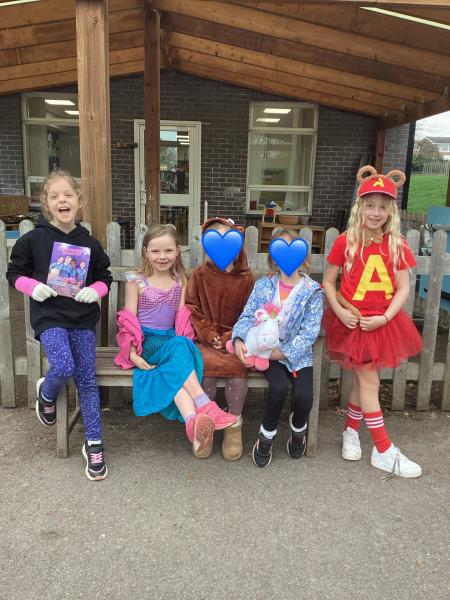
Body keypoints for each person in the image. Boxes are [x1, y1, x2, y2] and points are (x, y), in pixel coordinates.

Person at [6, 170, 112, 481]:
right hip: (50, 317)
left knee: (87, 382)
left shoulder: (89, 243)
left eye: (68, 195)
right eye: (54, 196)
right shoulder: (33, 239)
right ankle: (47, 393)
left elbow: (104, 277)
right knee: (63, 366)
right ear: (46, 204)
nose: (62, 200)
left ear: (79, 201)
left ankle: (94, 443)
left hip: (82, 320)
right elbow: (13, 272)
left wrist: (96, 290)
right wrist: (31, 286)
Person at [322, 165, 423, 479]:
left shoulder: (397, 244)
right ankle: (383, 449)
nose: (375, 212)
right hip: (353, 323)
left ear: (390, 210)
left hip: (381, 324)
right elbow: (328, 283)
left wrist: (385, 317)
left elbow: (403, 287)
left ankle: (351, 431)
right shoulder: (346, 241)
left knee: (364, 382)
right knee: (370, 383)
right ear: (360, 207)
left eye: (382, 206)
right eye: (370, 205)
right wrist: (340, 312)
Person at [118, 224, 236, 459]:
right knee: (179, 348)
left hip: (173, 342)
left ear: (178, 250)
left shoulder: (181, 281)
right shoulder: (136, 282)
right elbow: (127, 321)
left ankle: (193, 423)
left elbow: (184, 319)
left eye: (168, 250)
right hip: (147, 343)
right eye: (155, 251)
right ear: (145, 252)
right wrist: (131, 353)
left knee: (177, 370)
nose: (162, 256)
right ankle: (205, 404)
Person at [231, 227, 323, 468]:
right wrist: (239, 339)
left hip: (297, 355)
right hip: (266, 351)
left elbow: (310, 331)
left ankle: (298, 428)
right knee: (279, 388)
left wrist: (283, 353)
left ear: (303, 256)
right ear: (273, 256)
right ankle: (266, 437)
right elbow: (248, 315)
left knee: (304, 397)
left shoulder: (312, 291)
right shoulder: (264, 285)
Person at [185, 217, 255, 461]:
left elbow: (250, 313)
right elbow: (192, 307)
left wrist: (229, 336)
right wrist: (208, 333)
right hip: (207, 338)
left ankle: (234, 424)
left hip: (236, 338)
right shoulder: (200, 275)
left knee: (238, 367)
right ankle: (205, 423)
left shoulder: (246, 278)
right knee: (206, 368)